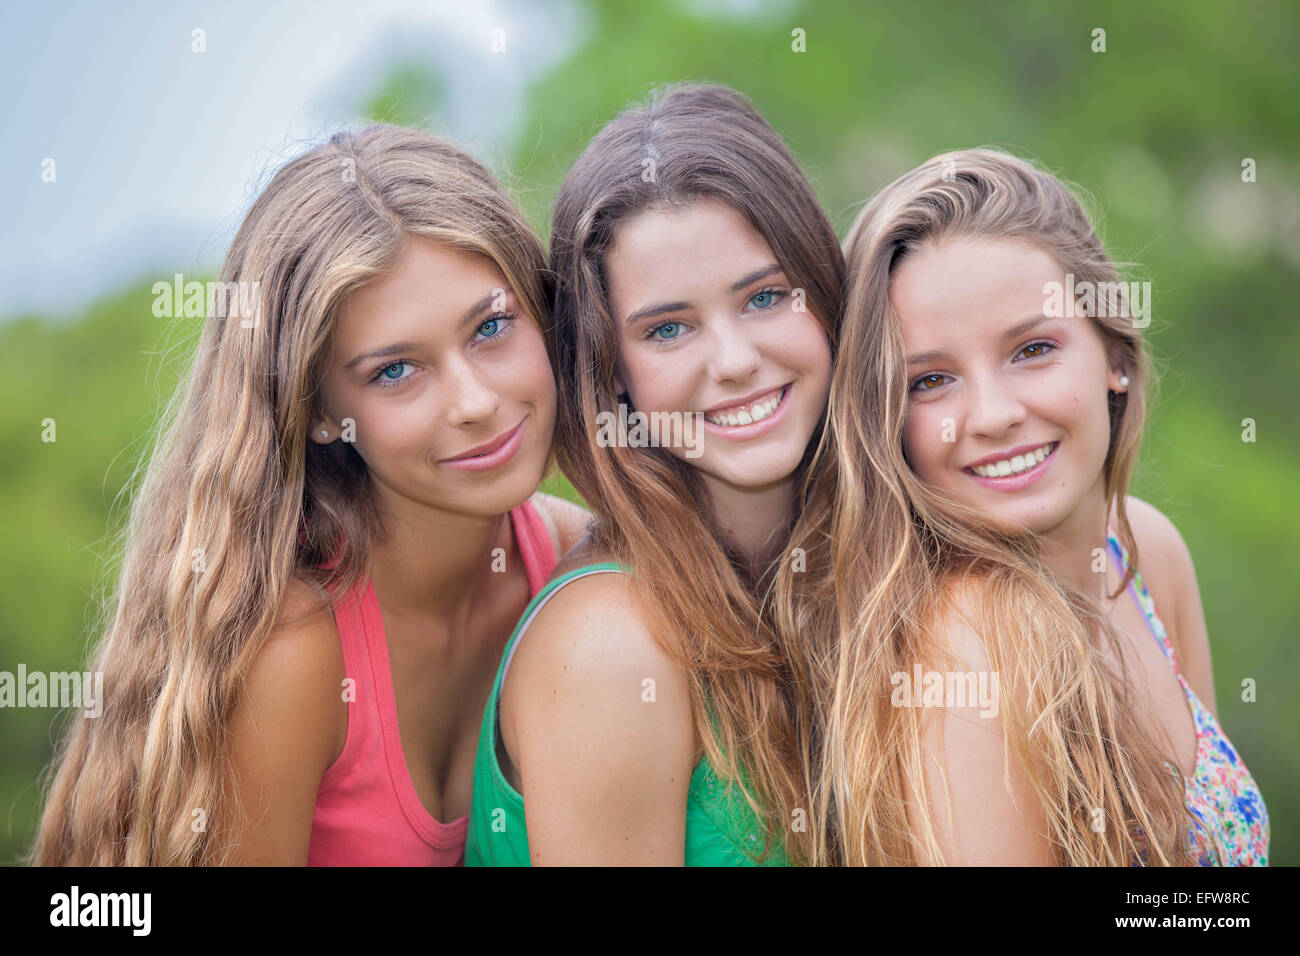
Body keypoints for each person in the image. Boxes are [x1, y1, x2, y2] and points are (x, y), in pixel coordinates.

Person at [32, 125, 587, 866]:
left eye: (491, 326)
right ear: (319, 412)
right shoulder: (293, 655)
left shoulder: (576, 565)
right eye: (396, 371)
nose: (474, 401)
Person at [813, 148, 1269, 865]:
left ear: (1114, 355)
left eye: (1032, 349)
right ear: (886, 423)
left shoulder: (1145, 549)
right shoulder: (965, 641)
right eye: (931, 381)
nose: (993, 414)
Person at [466, 83, 843, 865]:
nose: (735, 362)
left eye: (766, 297)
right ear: (613, 375)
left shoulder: (854, 572)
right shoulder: (613, 644)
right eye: (668, 328)